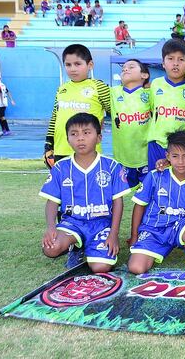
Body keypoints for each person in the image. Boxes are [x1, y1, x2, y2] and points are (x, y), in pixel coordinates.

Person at [39, 113, 130, 273]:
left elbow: (118, 203)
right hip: (72, 222)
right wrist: (51, 227)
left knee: (101, 267)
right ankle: (75, 245)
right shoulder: (61, 168)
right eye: (74, 134)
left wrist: (114, 234)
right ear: (68, 140)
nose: (80, 138)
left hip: (101, 225)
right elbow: (52, 201)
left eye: (86, 133)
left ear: (99, 137)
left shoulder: (113, 167)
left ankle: (91, 246)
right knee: (50, 248)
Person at [127, 131, 185, 274]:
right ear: (167, 156)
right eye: (175, 156)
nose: (181, 162)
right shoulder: (155, 176)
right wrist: (134, 236)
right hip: (153, 229)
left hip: (180, 226)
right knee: (136, 268)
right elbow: (139, 205)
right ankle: (159, 246)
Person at [44, 44, 110, 170]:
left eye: (77, 64)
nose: (72, 69)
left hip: (89, 151)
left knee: (89, 188)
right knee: (64, 188)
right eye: (68, 65)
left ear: (90, 65)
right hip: (61, 150)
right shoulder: (62, 89)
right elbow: (55, 118)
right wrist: (48, 145)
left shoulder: (99, 87)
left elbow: (115, 111)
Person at [146, 39, 185, 172]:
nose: (175, 63)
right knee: (156, 182)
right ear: (163, 63)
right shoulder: (156, 84)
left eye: (181, 59)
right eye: (170, 58)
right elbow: (152, 109)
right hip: (157, 144)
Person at [110, 59, 151, 189]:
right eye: (123, 68)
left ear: (144, 75)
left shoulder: (151, 94)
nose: (125, 69)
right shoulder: (113, 93)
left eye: (131, 67)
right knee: (117, 195)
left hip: (146, 158)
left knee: (148, 195)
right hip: (122, 159)